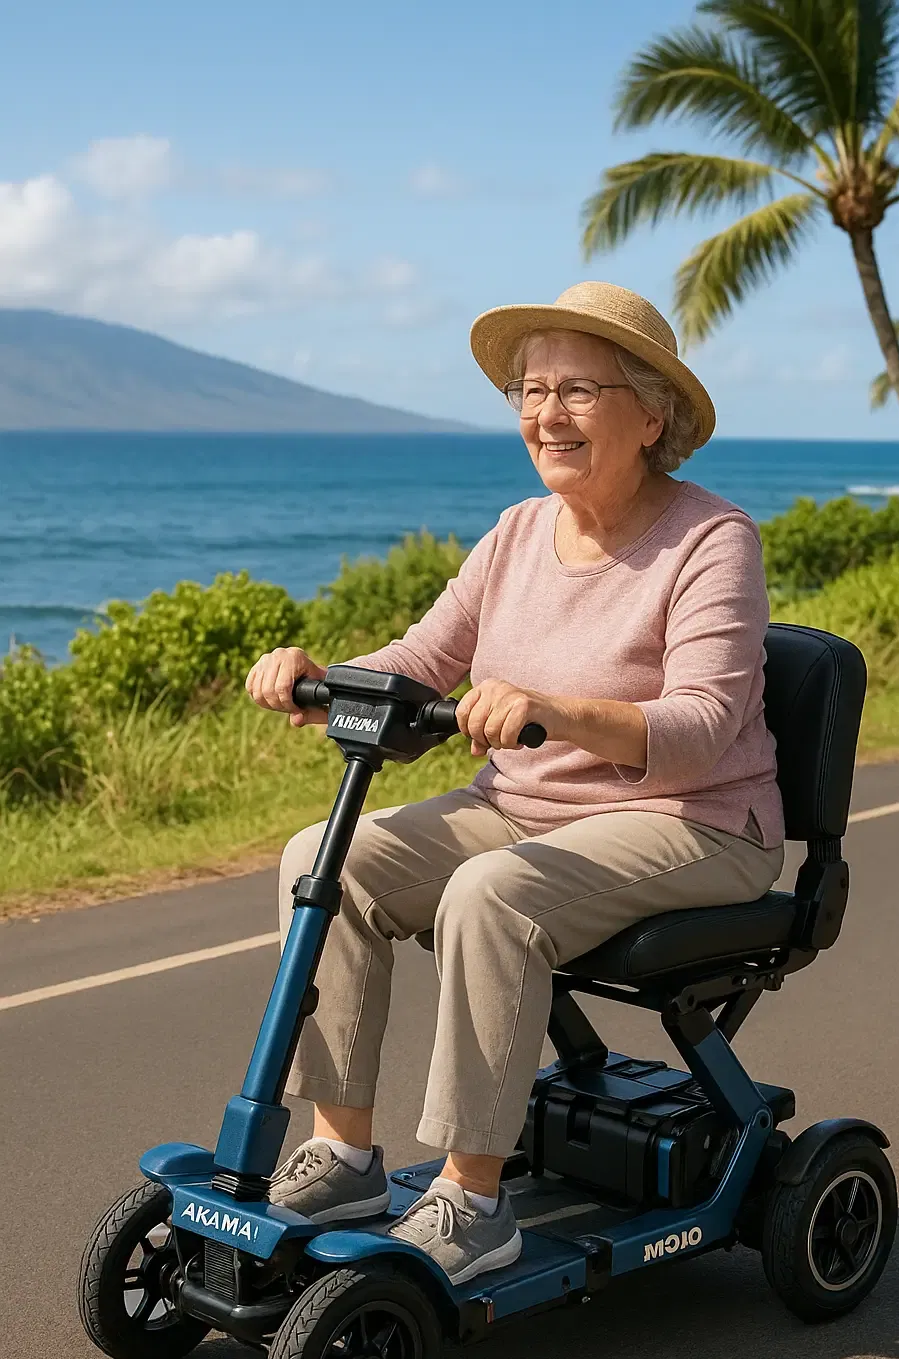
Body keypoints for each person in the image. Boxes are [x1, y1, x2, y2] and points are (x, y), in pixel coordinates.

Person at [245, 280, 785, 1285]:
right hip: (528, 810)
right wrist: (322, 682)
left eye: (577, 389)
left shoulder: (713, 541)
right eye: (530, 391)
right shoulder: (513, 534)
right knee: (324, 859)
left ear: (651, 412)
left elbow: (701, 731)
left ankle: (471, 1199)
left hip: (692, 820)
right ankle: (347, 1154)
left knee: (490, 896)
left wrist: (553, 708)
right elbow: (420, 659)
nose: (545, 413)